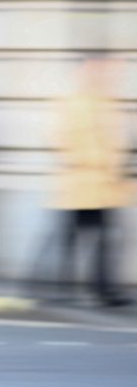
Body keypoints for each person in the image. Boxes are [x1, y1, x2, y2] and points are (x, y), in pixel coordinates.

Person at [50, 56, 132, 307]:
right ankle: (63, 289)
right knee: (72, 239)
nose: (104, 77)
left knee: (105, 238)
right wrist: (99, 162)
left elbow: (119, 142)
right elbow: (62, 141)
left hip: (104, 186)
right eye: (97, 71)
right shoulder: (73, 103)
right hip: (82, 185)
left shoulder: (108, 102)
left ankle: (102, 289)